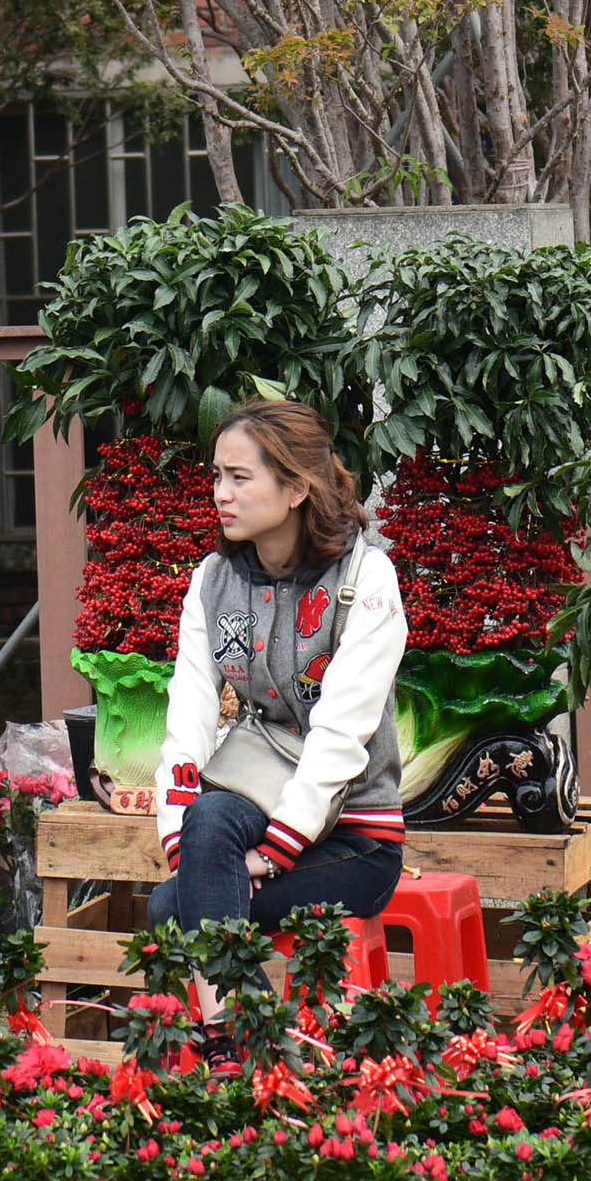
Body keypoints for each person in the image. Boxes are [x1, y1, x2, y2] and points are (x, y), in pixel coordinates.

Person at [147, 397, 408, 930]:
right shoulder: (213, 580)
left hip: (356, 837)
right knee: (207, 816)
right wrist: (184, 842)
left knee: (171, 909)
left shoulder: (368, 579)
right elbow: (189, 715)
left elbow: (341, 733)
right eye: (218, 475)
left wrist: (269, 857)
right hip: (255, 803)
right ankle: (237, 1017)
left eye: (240, 478)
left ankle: (224, 1017)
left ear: (295, 488)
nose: (221, 494)